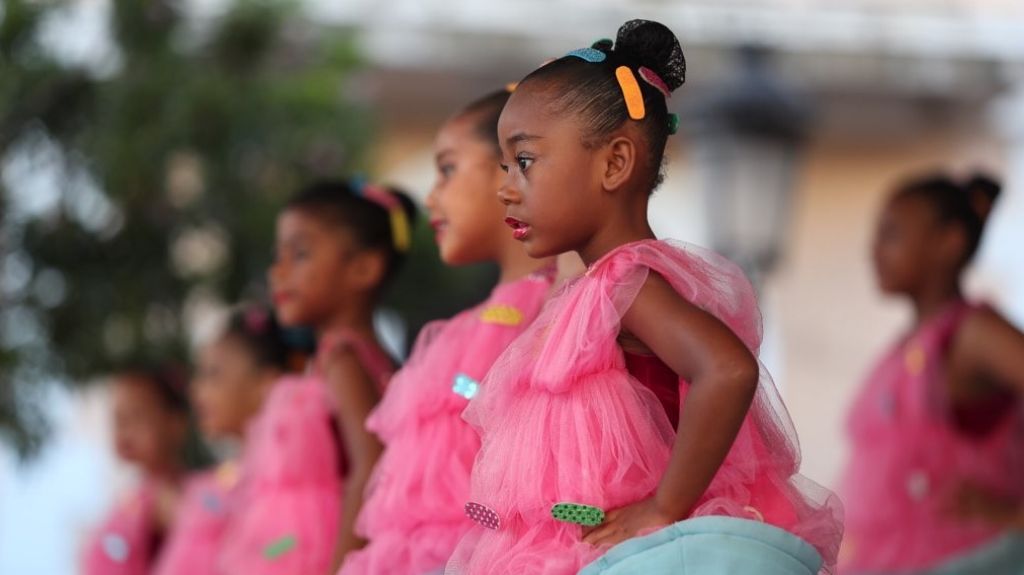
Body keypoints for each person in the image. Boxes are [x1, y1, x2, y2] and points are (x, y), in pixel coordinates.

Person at [446, 19, 842, 575]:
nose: (506, 186)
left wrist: (665, 505)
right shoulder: (603, 287)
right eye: (505, 166)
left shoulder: (626, 283)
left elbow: (726, 369)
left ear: (614, 163)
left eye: (526, 162)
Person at [339, 88, 556, 575]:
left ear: (513, 167)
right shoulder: (459, 334)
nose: (432, 196)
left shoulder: (557, 310)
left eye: (448, 169)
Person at [219, 179, 410, 574]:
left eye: (300, 253)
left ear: (363, 268)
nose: (278, 271)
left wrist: (341, 567)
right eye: (278, 255)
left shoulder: (342, 357)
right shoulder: (359, 356)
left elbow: (370, 462)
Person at [840, 173, 1024, 574]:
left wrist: (1016, 516)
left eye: (892, 234)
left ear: (949, 242)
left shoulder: (973, 333)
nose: (874, 249)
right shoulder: (907, 349)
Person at [82, 367, 189, 575]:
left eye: (136, 416)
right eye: (119, 419)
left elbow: (195, 532)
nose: (125, 429)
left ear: (175, 422)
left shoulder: (165, 495)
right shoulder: (137, 499)